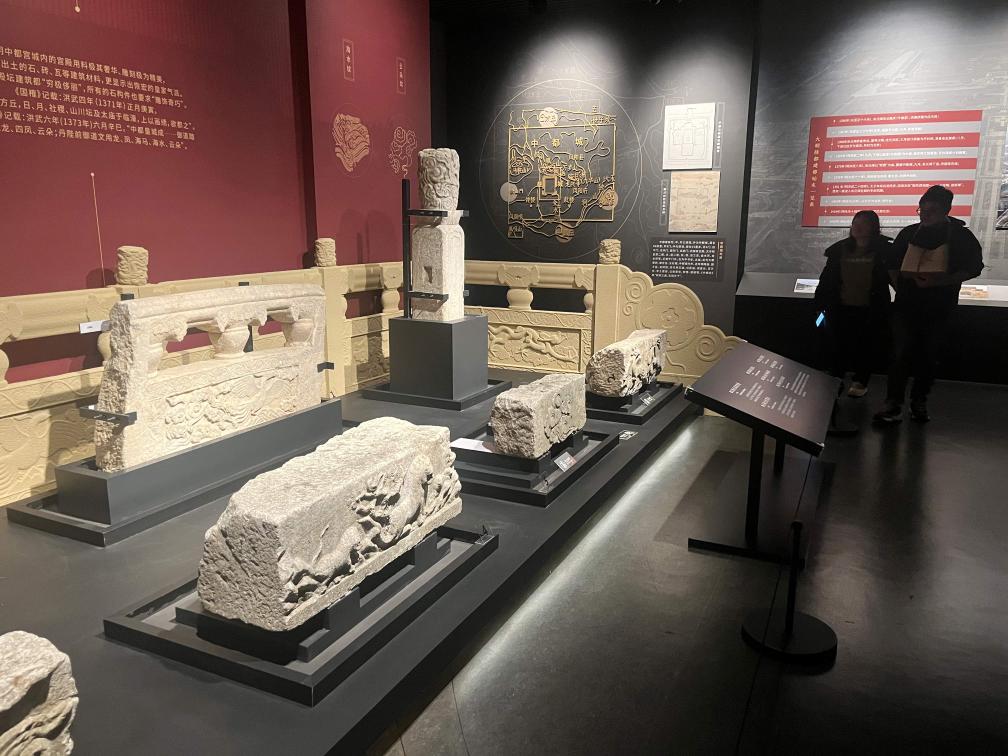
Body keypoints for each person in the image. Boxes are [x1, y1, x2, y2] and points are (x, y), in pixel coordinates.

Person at [873, 185, 984, 424]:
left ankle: (919, 401)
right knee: (899, 354)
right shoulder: (909, 233)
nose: (925, 214)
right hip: (906, 307)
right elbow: (891, 263)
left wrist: (942, 281)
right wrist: (901, 287)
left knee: (929, 356)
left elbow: (974, 267)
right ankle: (893, 403)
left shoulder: (961, 236)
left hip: (940, 308)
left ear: (946, 210)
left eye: (931, 210)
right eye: (922, 209)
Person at [814, 210, 892, 398]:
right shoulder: (839, 250)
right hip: (840, 307)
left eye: (863, 223)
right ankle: (836, 378)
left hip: (870, 308)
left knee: (866, 345)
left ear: (874, 227)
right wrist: (819, 303)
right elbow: (827, 279)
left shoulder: (884, 251)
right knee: (838, 344)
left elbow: (892, 276)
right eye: (855, 222)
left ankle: (860, 380)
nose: (857, 227)